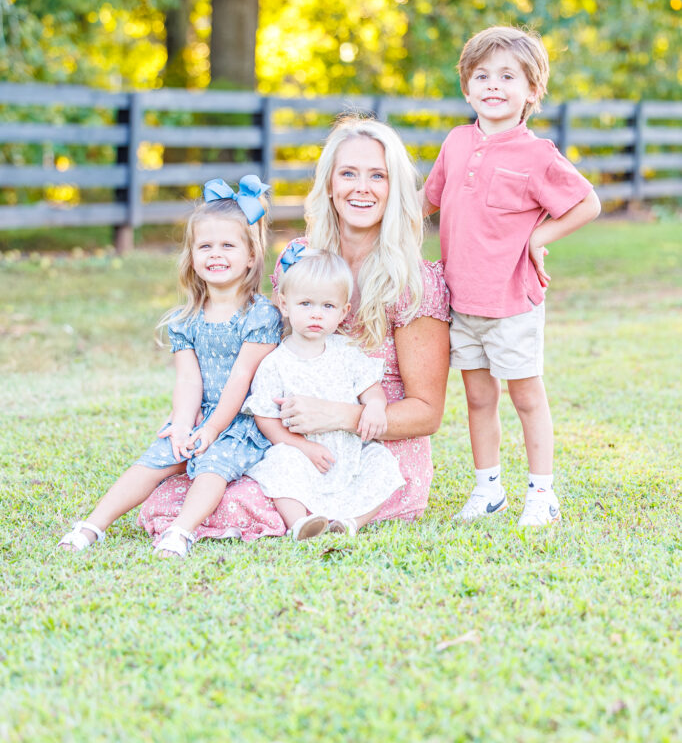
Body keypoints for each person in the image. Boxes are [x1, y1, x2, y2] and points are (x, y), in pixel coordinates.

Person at [138, 116, 451, 543]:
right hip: (293, 442)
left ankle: (336, 515)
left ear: (394, 188)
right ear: (328, 185)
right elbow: (266, 357)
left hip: (376, 450)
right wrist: (194, 415)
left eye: (377, 175)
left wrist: (342, 415)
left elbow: (427, 412)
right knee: (178, 494)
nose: (362, 187)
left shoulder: (413, 282)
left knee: (235, 502)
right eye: (349, 173)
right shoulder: (298, 261)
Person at [422, 25, 601, 527]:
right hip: (459, 300)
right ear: (466, 87)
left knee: (525, 395)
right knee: (478, 397)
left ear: (531, 91)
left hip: (512, 301)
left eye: (507, 76)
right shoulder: (456, 143)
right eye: (482, 75)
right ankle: (489, 489)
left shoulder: (538, 154)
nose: (493, 85)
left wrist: (537, 239)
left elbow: (587, 203)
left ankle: (541, 494)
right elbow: (427, 201)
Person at [58, 176, 282, 557]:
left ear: (250, 256)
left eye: (228, 245)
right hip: (199, 414)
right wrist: (183, 425)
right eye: (205, 245)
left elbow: (242, 379)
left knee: (213, 466)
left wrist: (211, 429)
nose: (216, 254)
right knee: (157, 457)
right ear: (191, 256)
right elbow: (188, 379)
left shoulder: (260, 316)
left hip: (242, 419)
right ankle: (93, 525)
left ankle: (181, 531)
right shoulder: (185, 319)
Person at [243, 248, 405, 540]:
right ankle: (299, 523)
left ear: (344, 312)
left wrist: (376, 407)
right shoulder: (275, 363)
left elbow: (371, 390)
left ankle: (351, 522)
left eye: (328, 306)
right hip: (302, 454)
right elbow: (265, 419)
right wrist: (302, 448)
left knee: (383, 463)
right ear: (284, 304)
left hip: (348, 456)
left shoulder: (346, 354)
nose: (316, 313)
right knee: (278, 462)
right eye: (305, 303)